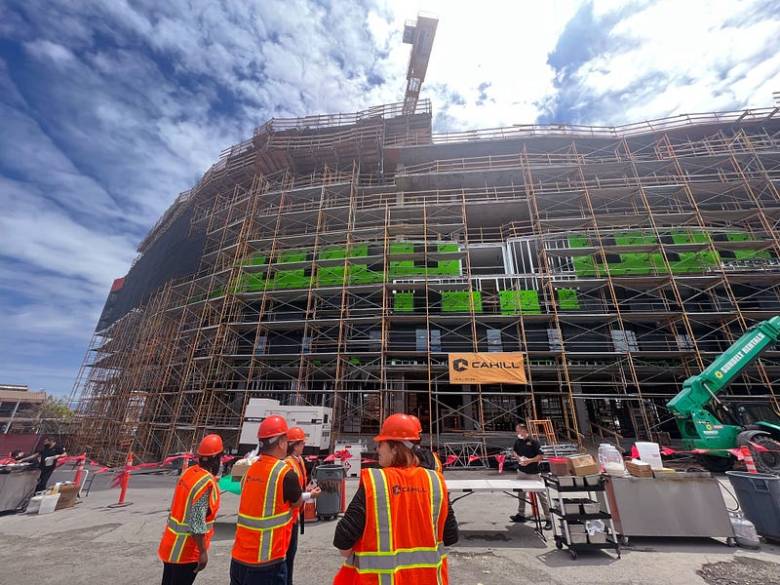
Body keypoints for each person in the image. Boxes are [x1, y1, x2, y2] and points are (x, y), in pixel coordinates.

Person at [333, 413, 458, 585]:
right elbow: (450, 536)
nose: (377, 449)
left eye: (381, 444)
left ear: (395, 448)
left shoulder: (377, 482)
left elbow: (343, 539)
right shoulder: (435, 481)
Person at [230, 416, 303, 585]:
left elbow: (235, 477)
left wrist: (250, 458)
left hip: (239, 559)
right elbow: (297, 503)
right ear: (282, 442)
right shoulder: (285, 474)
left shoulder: (246, 469)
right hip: (268, 561)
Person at [158, 433, 223, 585]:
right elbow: (197, 522)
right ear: (216, 459)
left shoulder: (189, 473)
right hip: (186, 552)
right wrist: (203, 552)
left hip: (170, 546)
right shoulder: (206, 484)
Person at [284, 426, 321, 585]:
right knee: (286, 559)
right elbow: (292, 496)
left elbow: (296, 490)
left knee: (290, 558)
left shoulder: (297, 461)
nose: (304, 446)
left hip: (294, 517)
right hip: (287, 520)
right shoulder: (288, 464)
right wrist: (310, 495)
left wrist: (306, 490)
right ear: (294, 445)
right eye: (301, 443)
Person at [509, 422, 551, 530]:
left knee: (541, 495)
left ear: (524, 431)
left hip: (533, 473)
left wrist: (529, 461)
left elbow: (541, 456)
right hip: (522, 472)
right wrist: (518, 458)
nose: (517, 432)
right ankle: (521, 514)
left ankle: (548, 519)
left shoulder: (533, 442)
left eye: (518, 430)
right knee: (521, 494)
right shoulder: (518, 441)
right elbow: (514, 451)